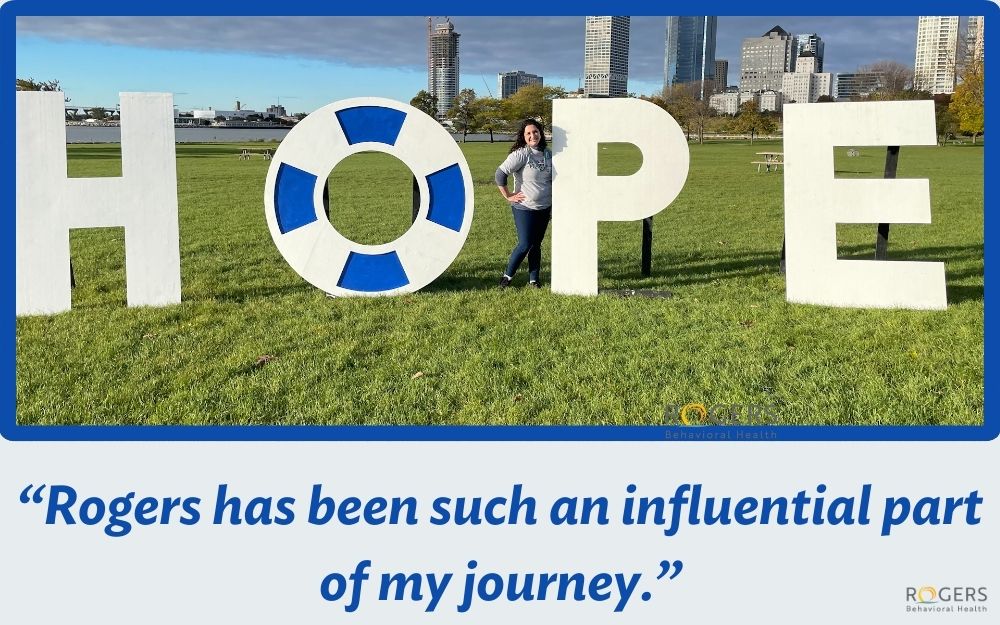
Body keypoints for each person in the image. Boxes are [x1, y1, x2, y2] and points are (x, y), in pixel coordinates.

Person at [495, 118, 552, 288]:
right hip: (524, 207)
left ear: (541, 133)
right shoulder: (521, 154)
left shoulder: (548, 154)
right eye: (528, 133)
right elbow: (500, 174)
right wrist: (508, 195)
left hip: (544, 207)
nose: (533, 135)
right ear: (523, 136)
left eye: (535, 131)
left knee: (536, 245)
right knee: (525, 243)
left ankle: (534, 280)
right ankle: (507, 277)